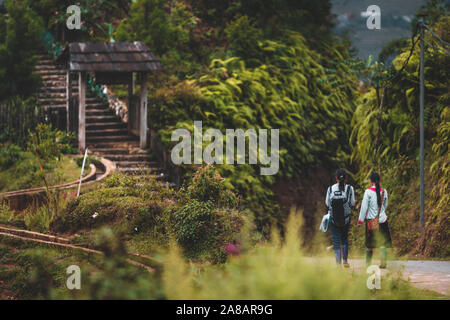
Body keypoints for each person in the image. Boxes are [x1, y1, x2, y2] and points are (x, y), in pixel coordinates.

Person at [358, 172, 392, 268]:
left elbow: (364, 207)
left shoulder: (368, 192)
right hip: (382, 220)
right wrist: (382, 213)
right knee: (383, 243)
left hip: (371, 222)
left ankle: (368, 264)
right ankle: (383, 262)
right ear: (379, 180)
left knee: (369, 244)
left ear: (370, 181)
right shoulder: (384, 192)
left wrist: (360, 220)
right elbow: (385, 205)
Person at [326, 168, 355, 267]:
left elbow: (327, 203)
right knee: (344, 238)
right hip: (346, 219)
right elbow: (352, 203)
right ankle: (345, 261)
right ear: (345, 178)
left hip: (333, 219)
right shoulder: (350, 189)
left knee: (336, 240)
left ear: (336, 178)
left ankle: (338, 264)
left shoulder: (330, 189)